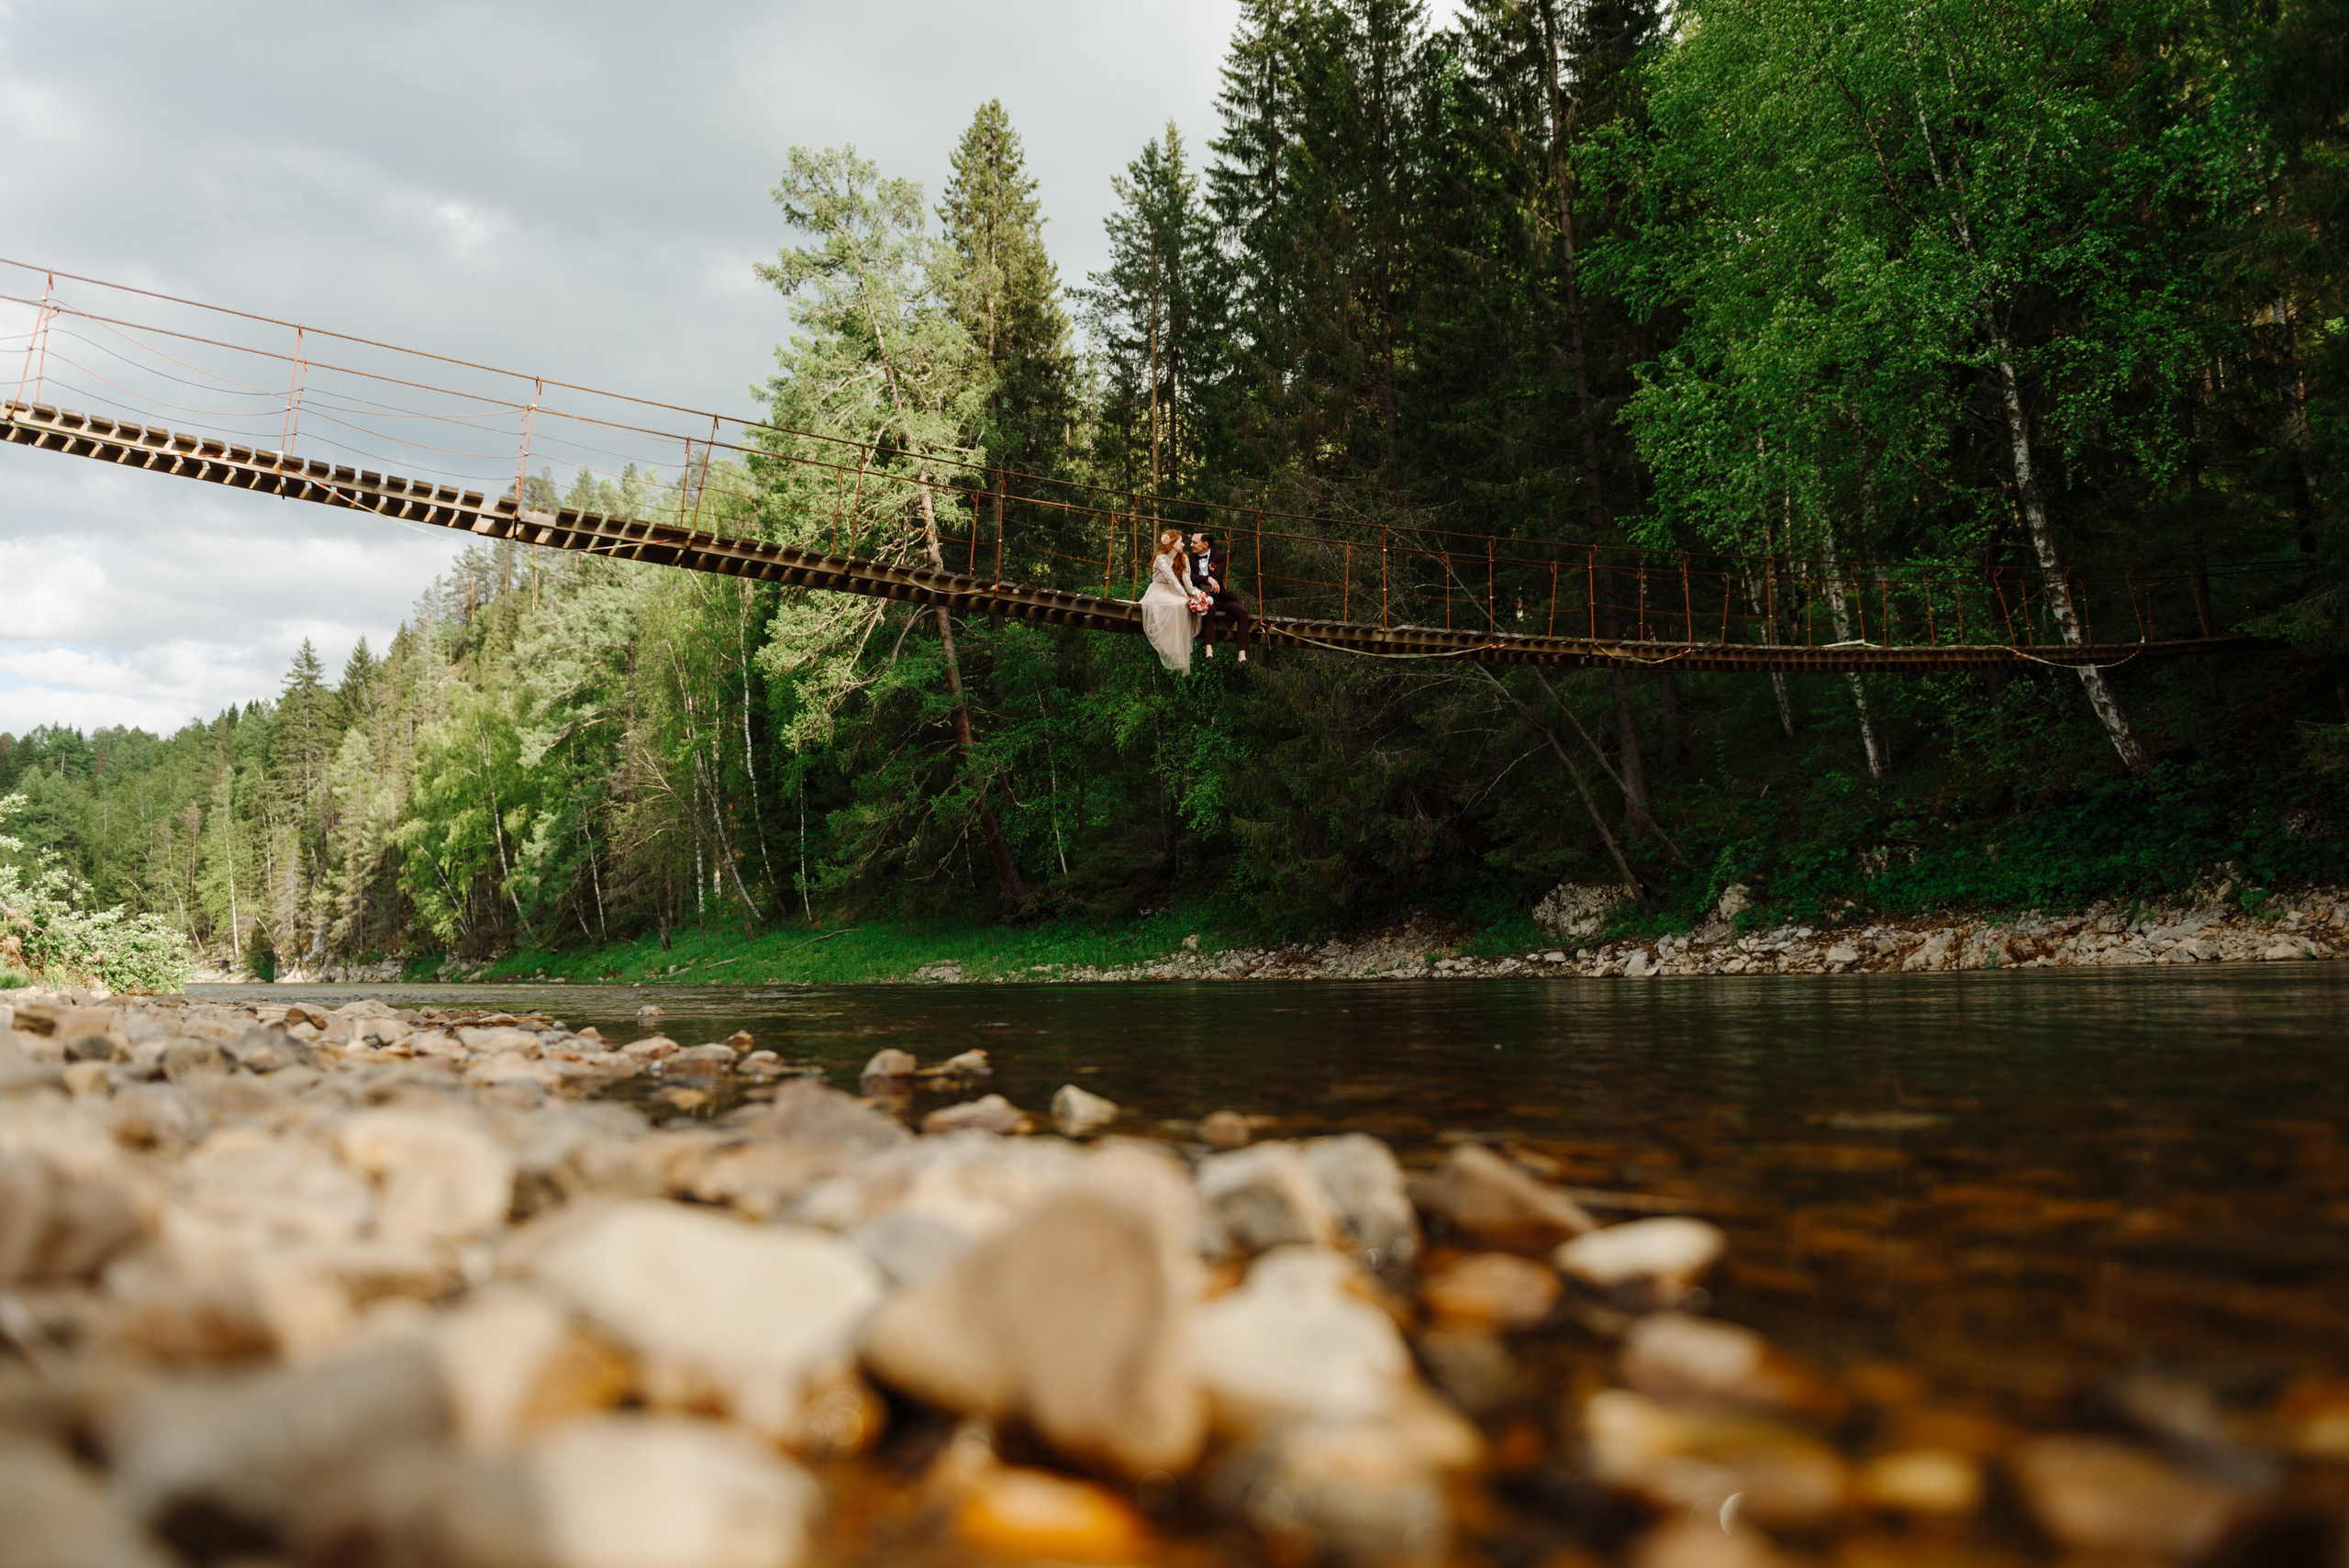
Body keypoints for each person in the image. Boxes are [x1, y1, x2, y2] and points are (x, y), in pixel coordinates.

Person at [1141, 526, 1202, 673]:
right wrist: (1185, 597)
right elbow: (1172, 579)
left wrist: (1196, 596)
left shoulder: (1184, 558)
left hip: (1174, 591)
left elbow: (1186, 580)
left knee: (1183, 604)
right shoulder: (1161, 559)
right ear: (1173, 543)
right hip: (1159, 590)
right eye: (1181, 541)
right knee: (1178, 604)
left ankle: (1179, 651)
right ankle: (1171, 649)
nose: (1183, 544)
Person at [1187, 530, 1252, 662]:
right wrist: (1208, 580)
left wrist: (1210, 579)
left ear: (1205, 544)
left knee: (1242, 612)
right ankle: (1209, 652)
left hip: (1219, 596)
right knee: (1209, 610)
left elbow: (1217, 576)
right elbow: (1189, 577)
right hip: (1201, 596)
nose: (1191, 545)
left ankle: (1242, 655)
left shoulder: (1220, 555)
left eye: (1195, 542)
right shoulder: (1190, 557)